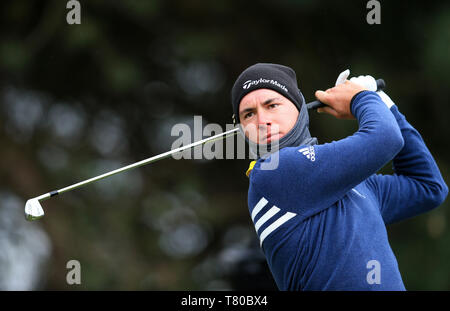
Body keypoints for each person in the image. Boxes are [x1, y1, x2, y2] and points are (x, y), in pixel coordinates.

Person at [230, 63, 448, 290]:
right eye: (249, 114)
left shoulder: (358, 185)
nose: (261, 122)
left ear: (300, 109)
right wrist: (362, 98)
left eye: (272, 105)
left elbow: (428, 187)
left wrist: (384, 102)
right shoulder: (271, 173)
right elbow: (385, 138)